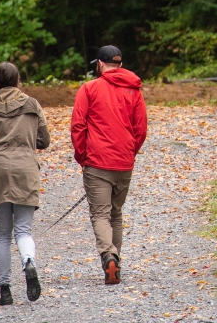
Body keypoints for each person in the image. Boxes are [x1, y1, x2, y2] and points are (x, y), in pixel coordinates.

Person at [0, 61, 50, 306]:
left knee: (3, 235)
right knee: (24, 231)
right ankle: (28, 262)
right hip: (26, 168)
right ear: (17, 80)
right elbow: (44, 140)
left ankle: (5, 289)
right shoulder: (32, 104)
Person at [70, 44, 148, 285]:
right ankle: (116, 261)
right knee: (115, 213)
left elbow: (78, 126)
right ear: (120, 65)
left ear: (100, 64)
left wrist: (83, 156)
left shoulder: (89, 89)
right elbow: (141, 128)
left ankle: (109, 255)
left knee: (100, 214)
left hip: (97, 162)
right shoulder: (135, 90)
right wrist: (129, 152)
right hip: (124, 162)